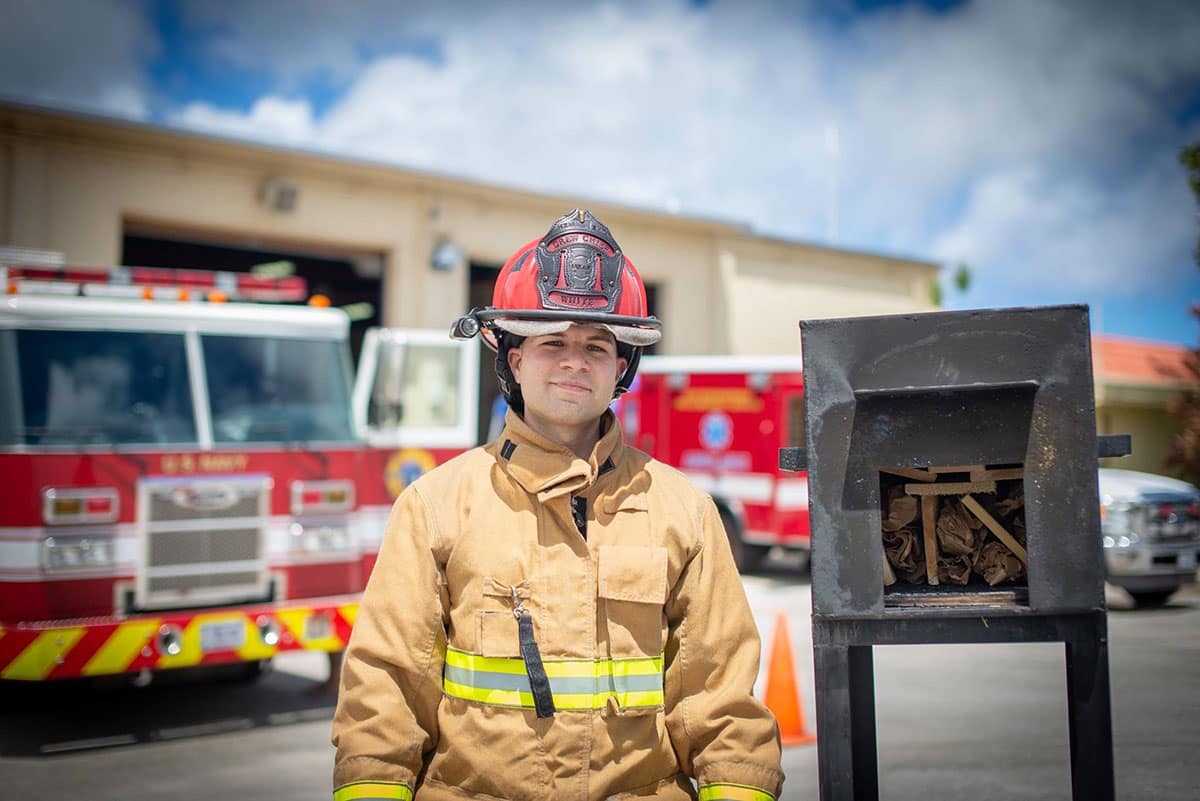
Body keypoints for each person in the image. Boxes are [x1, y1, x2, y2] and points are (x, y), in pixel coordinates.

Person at [331, 209, 783, 801]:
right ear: (515, 360)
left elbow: (722, 703)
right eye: (552, 342)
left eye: (596, 346)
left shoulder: (684, 511)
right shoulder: (435, 506)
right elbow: (383, 694)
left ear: (621, 368)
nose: (575, 360)